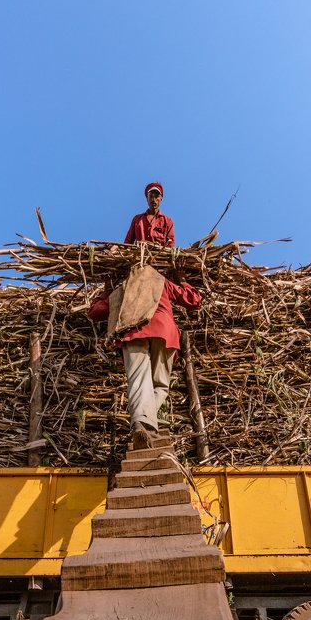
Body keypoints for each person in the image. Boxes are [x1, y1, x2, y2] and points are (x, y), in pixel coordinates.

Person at [88, 183, 200, 448]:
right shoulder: (161, 280)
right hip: (164, 333)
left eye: (157, 194)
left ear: (161, 198)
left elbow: (95, 312)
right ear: (147, 197)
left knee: (138, 380)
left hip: (134, 332)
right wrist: (183, 280)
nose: (154, 198)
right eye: (151, 194)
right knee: (160, 383)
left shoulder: (124, 288)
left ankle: (141, 422)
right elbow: (194, 300)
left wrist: (106, 291)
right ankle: (146, 424)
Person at [124, 182, 175, 248]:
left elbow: (170, 245)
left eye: (156, 196)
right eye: (151, 196)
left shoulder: (167, 221)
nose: (153, 200)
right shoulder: (137, 219)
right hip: (139, 256)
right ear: (147, 198)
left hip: (159, 256)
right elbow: (127, 243)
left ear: (161, 199)